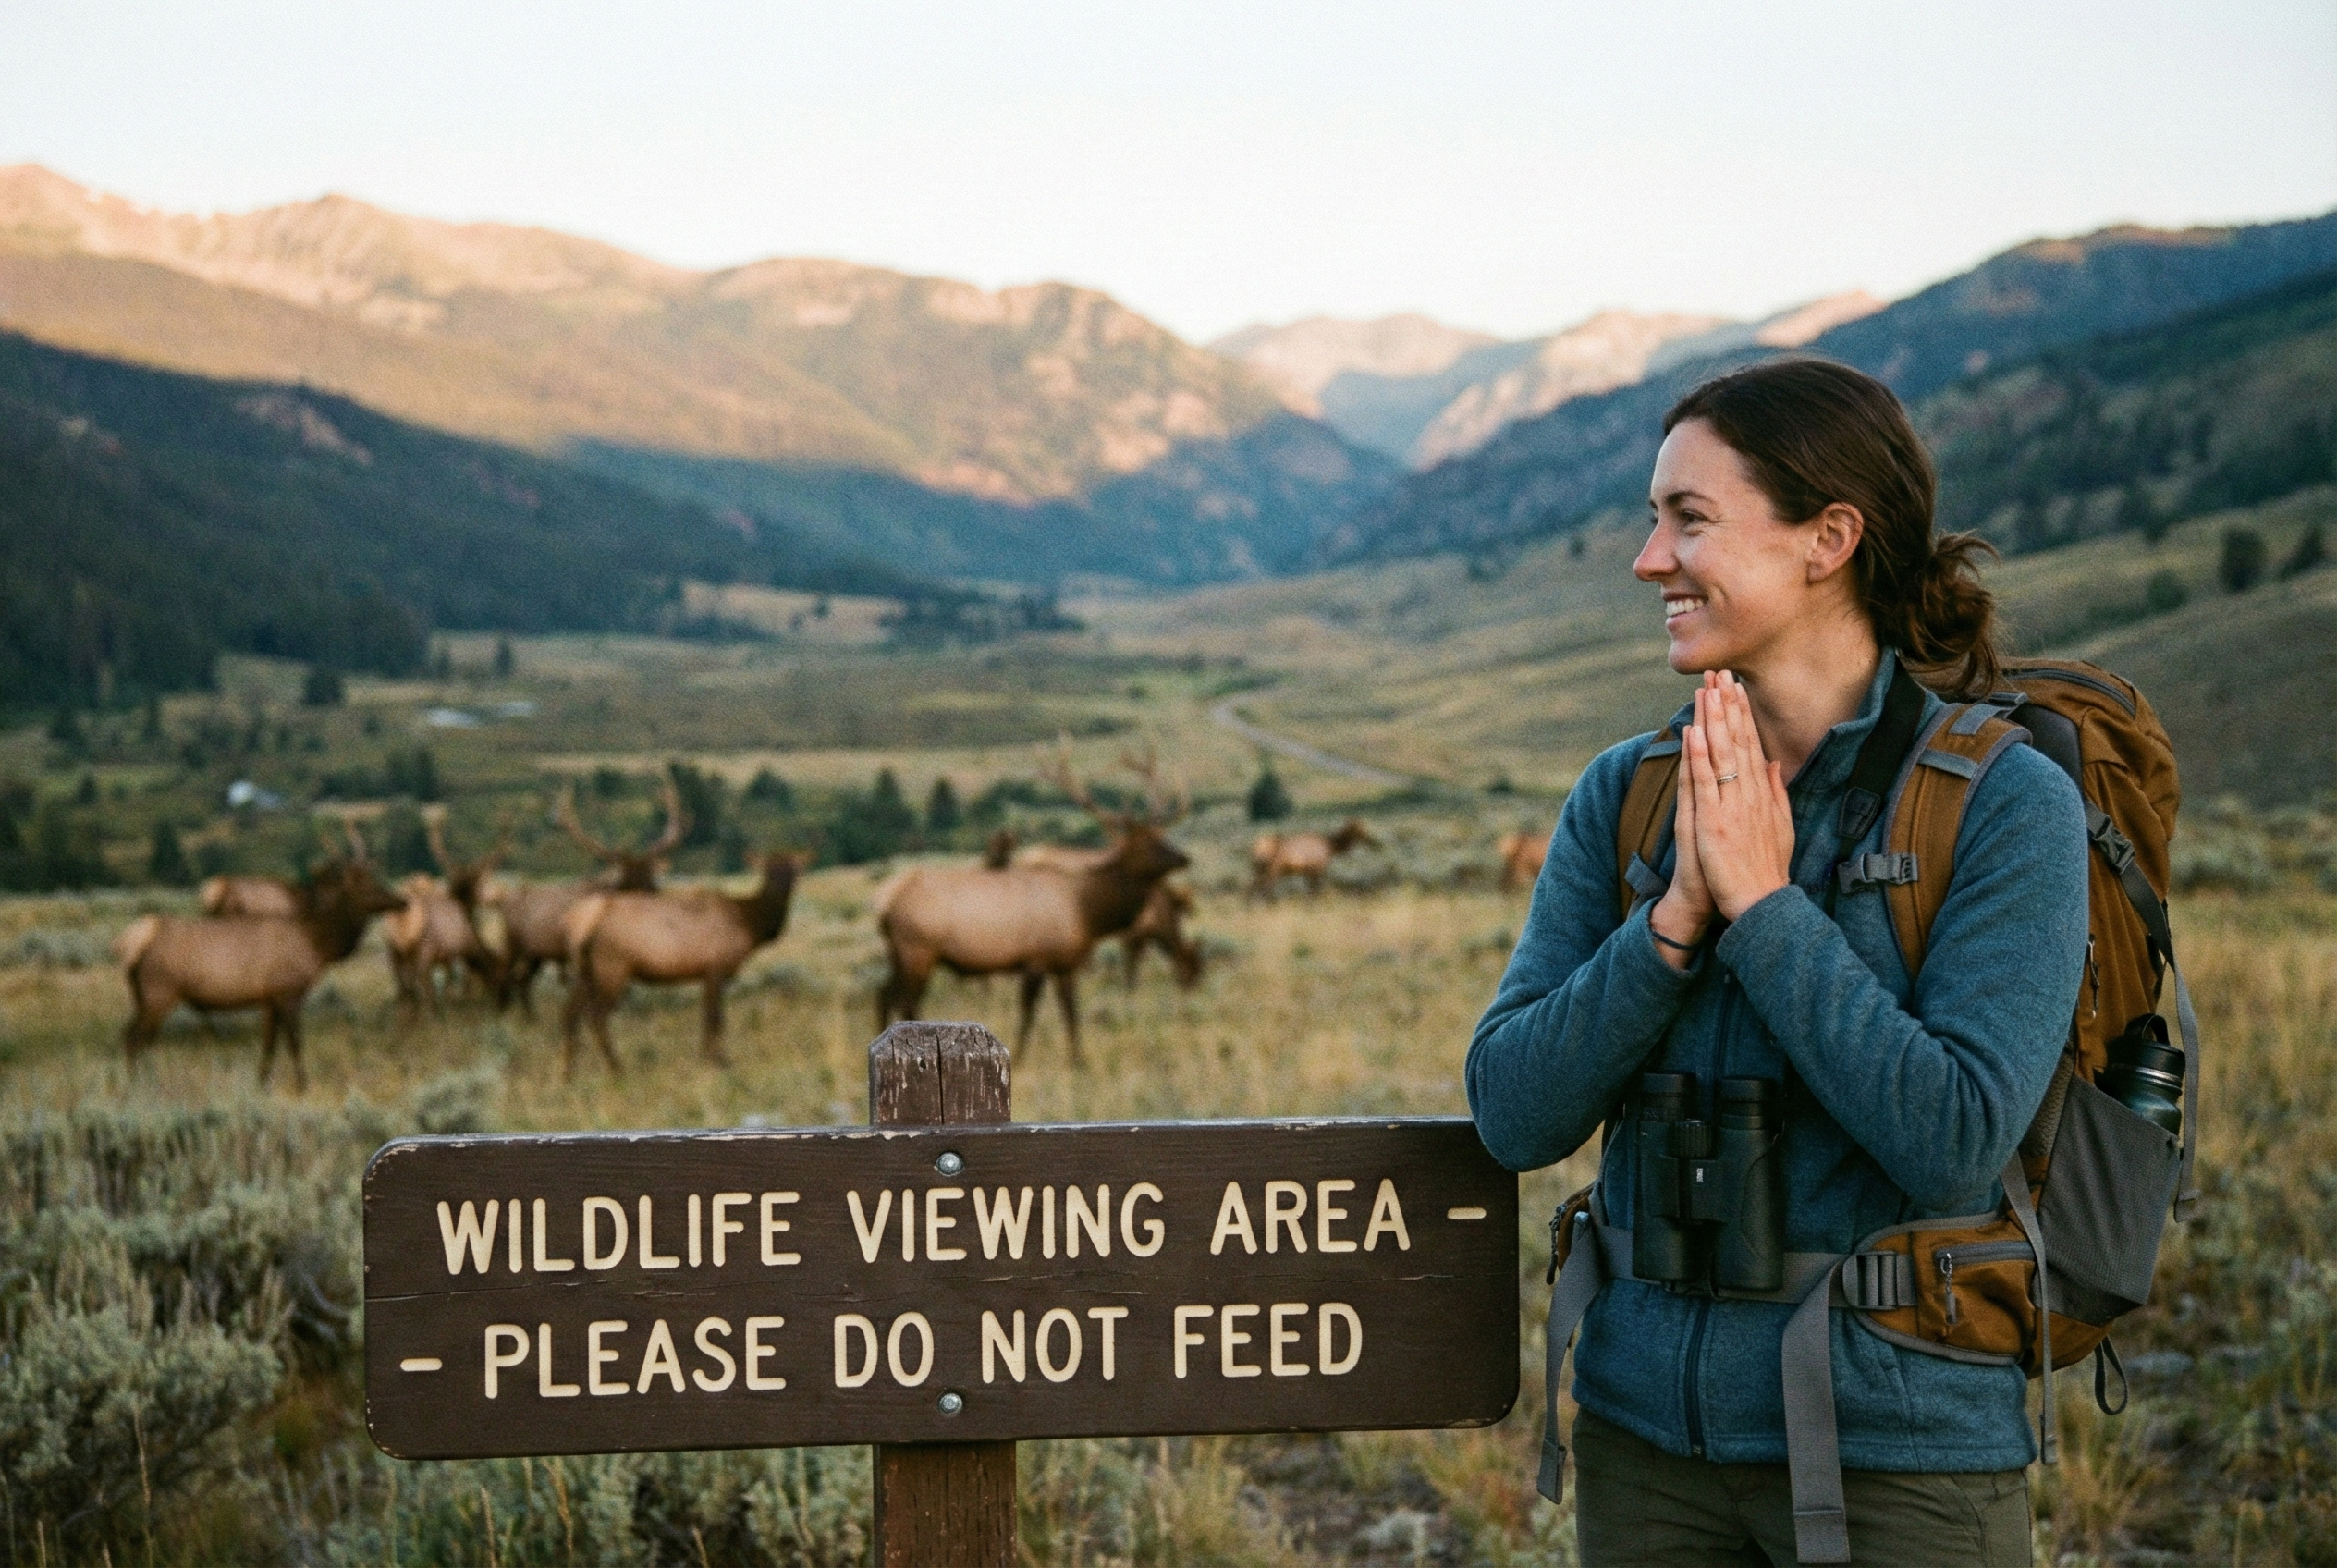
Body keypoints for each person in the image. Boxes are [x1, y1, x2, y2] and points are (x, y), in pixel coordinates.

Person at [1466, 359, 2088, 1566]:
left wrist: (1763, 907)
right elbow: (1511, 1112)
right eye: (1655, 520)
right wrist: (1671, 924)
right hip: (1644, 1454)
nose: (1649, 559)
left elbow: (1956, 1139)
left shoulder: (2004, 806)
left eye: (1689, 519)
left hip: (1900, 1462)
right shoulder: (1628, 795)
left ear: (1828, 540)